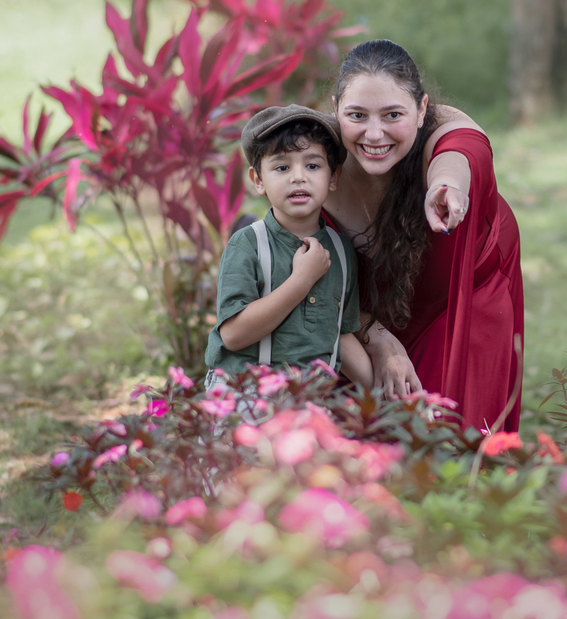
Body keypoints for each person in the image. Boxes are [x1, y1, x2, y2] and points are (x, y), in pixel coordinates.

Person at [323, 40, 523, 432]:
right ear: (336, 110)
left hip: (461, 301)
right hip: (361, 321)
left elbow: (461, 155)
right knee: (360, 448)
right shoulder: (316, 162)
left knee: (449, 441)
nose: (374, 133)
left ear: (422, 110)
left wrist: (444, 187)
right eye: (357, 115)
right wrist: (373, 335)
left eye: (393, 114)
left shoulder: (447, 129)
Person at [205, 105, 373, 388]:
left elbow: (341, 334)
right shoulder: (247, 245)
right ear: (258, 180)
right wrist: (302, 280)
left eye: (312, 165)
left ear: (333, 177)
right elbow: (233, 335)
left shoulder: (342, 252)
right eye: (282, 167)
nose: (298, 177)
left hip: (310, 401)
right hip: (244, 399)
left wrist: (382, 397)